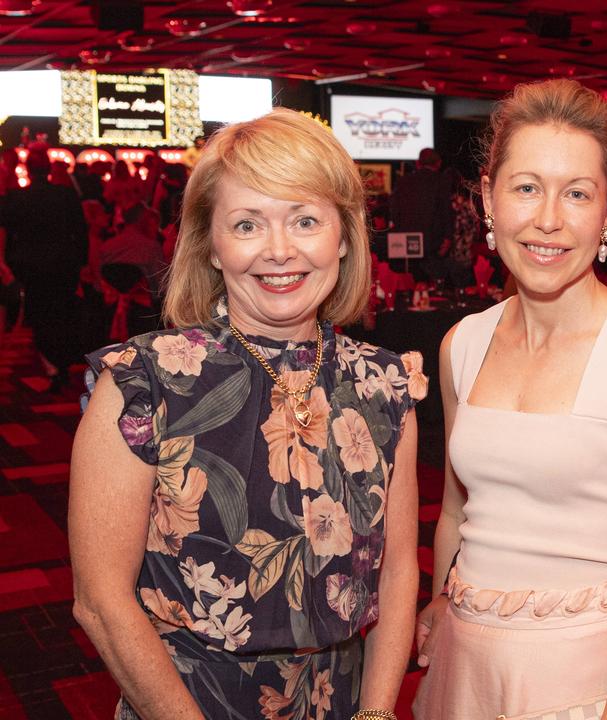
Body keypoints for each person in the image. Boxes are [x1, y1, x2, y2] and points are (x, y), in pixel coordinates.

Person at [69, 109, 425, 720]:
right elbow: (100, 602)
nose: (280, 250)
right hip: (185, 702)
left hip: (344, 699)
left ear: (343, 236)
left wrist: (376, 711)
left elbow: (397, 575)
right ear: (211, 244)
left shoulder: (385, 384)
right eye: (247, 224)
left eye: (306, 220)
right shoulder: (143, 381)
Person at [411, 78, 607, 719]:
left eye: (576, 193)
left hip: (588, 684)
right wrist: (439, 597)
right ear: (488, 195)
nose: (548, 219)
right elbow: (457, 509)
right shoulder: (463, 343)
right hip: (465, 668)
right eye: (526, 187)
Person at [1, 145, 88, 391]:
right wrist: (81, 262)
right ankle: (61, 363)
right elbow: (80, 231)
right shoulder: (65, 196)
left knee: (40, 317)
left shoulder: (19, 197)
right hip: (63, 264)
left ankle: (53, 365)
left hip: (32, 267)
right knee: (61, 314)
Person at [389, 148, 456, 283]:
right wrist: (448, 237)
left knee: (408, 284)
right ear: (438, 163)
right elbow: (446, 211)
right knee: (432, 287)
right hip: (433, 243)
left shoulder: (403, 181)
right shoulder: (441, 181)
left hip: (405, 242)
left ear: (418, 163)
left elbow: (393, 211)